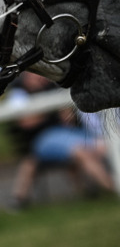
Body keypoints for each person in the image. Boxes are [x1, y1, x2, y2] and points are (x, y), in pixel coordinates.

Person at [7, 72, 113, 209]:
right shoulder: (19, 92)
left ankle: (103, 187)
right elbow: (26, 122)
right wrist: (49, 109)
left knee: (104, 146)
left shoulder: (54, 87)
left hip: (66, 134)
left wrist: (57, 110)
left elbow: (67, 119)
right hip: (42, 139)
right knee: (81, 151)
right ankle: (113, 187)